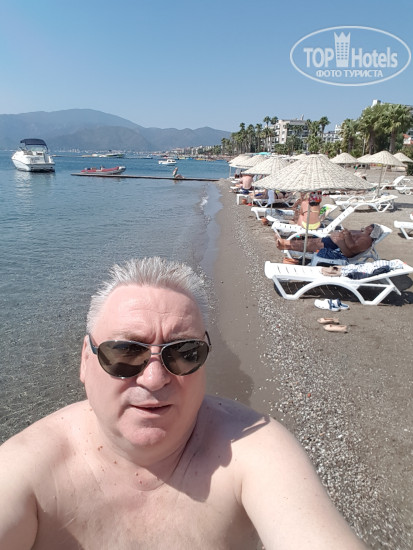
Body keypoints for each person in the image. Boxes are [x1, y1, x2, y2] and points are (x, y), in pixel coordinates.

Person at [0, 257, 367, 549]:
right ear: (85, 359)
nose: (154, 378)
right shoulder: (27, 470)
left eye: (184, 352)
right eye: (126, 352)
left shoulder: (255, 450)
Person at [275, 224, 382, 261]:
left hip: (337, 249)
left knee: (312, 244)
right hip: (335, 242)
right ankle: (285, 243)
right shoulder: (363, 234)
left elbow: (352, 247)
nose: (367, 226)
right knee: (311, 242)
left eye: (370, 226)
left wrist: (345, 236)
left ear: (372, 230)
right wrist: (343, 234)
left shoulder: (367, 240)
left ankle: (285, 244)